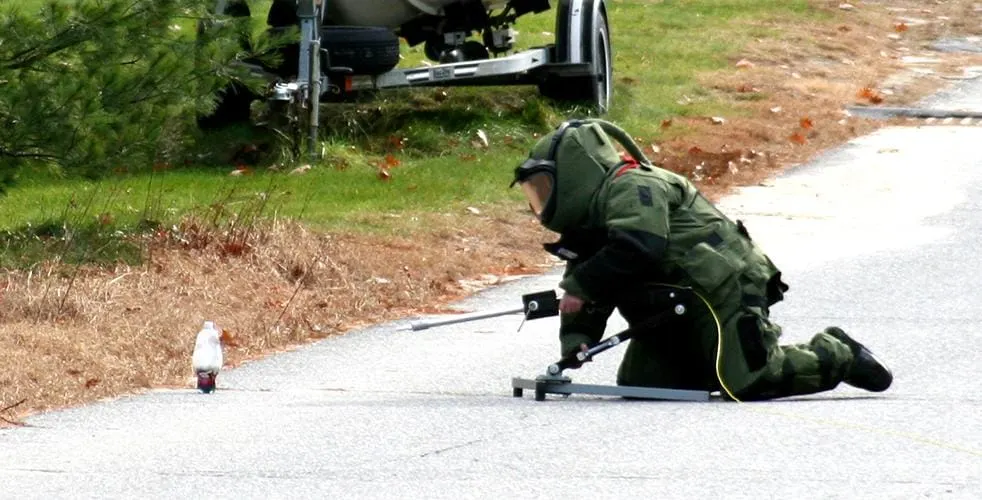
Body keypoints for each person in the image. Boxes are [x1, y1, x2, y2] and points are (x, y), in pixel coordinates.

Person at [510, 119, 893, 401]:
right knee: (646, 386)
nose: (540, 202)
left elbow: (638, 248)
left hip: (725, 289)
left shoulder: (634, 187)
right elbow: (594, 278)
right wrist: (577, 343)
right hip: (673, 305)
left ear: (579, 170)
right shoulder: (590, 223)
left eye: (544, 188)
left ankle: (837, 352)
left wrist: (579, 287)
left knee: (748, 383)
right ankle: (716, 360)